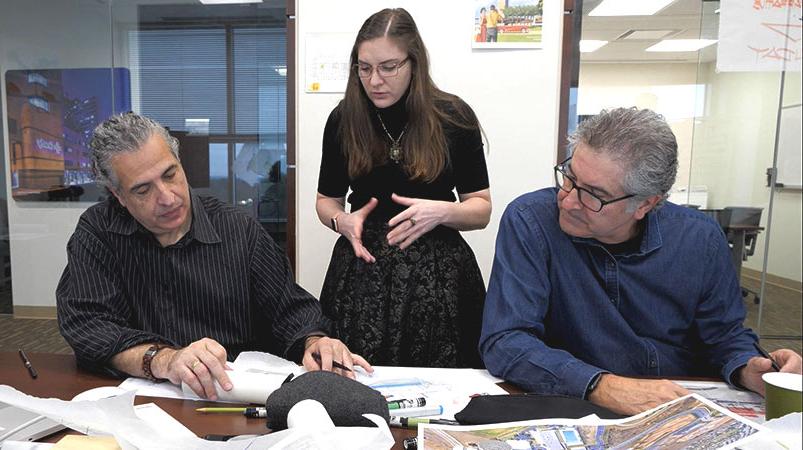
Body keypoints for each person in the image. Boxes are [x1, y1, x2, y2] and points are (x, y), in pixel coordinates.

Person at [480, 107, 802, 415]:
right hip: (573, 403)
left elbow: (723, 336)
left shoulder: (700, 239)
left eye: (593, 194)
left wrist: (750, 367)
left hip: (676, 403)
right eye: (569, 177)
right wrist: (602, 387)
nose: (568, 200)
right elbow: (506, 340)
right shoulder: (531, 221)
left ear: (645, 204)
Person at [57, 112, 371, 401]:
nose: (167, 197)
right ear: (118, 196)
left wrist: (315, 342)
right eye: (143, 190)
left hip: (234, 397)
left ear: (180, 163)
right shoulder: (98, 232)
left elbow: (289, 309)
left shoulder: (237, 228)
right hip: (140, 401)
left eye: (170, 174)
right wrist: (165, 360)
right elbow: (88, 325)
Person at [316, 8, 491, 368]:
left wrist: (442, 211)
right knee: (355, 387)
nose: (375, 80)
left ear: (414, 62)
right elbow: (326, 201)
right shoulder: (343, 118)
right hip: (363, 275)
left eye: (388, 67)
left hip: (438, 276)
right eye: (364, 68)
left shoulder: (453, 117)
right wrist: (341, 222)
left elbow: (481, 208)